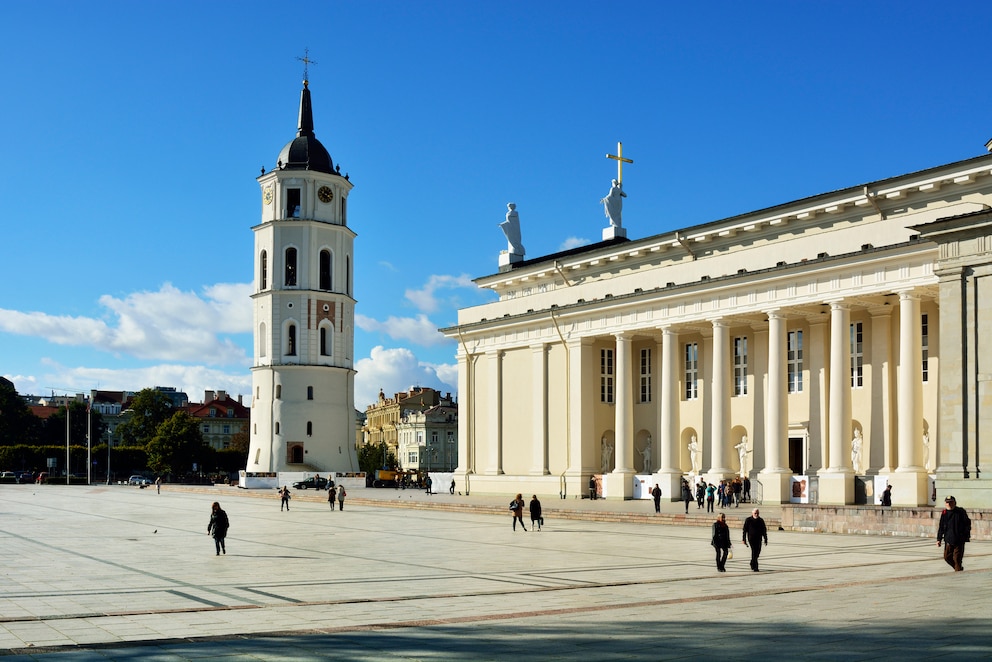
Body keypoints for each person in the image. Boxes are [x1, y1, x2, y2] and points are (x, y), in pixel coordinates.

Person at [936, 495, 971, 572]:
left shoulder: (960, 512)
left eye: (951, 502)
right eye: (947, 502)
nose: (949, 504)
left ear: (954, 503)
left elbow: (967, 523)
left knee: (957, 559)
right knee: (946, 557)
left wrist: (965, 534)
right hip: (948, 540)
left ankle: (958, 575)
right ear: (945, 503)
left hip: (959, 540)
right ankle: (958, 568)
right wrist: (939, 539)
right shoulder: (944, 513)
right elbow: (941, 526)